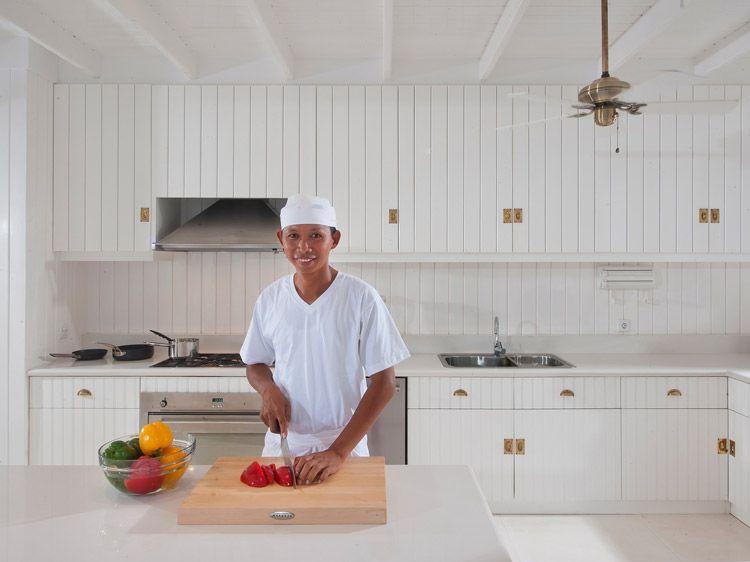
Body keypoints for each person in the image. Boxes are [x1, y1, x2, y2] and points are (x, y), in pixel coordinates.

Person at [240, 194, 410, 484]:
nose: (303, 247)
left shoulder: (361, 298)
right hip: (284, 446)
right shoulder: (270, 299)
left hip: (344, 448)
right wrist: (268, 389)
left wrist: (337, 453)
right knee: (280, 525)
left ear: (335, 239)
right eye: (294, 236)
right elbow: (255, 364)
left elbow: (384, 384)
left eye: (316, 236)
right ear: (281, 238)